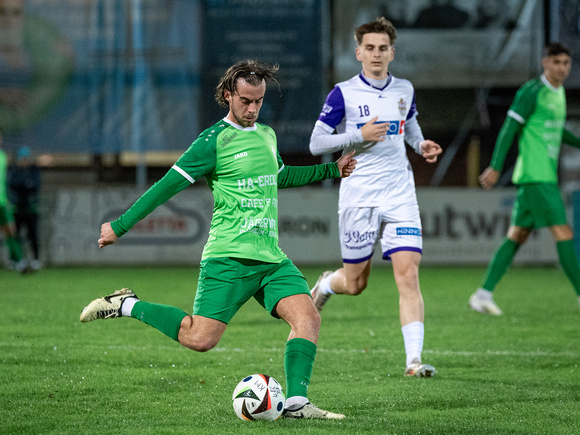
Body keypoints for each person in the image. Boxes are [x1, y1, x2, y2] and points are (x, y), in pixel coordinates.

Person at [79, 60, 357, 420]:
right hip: (228, 258)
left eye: (259, 101)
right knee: (200, 339)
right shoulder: (212, 142)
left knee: (307, 318)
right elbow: (166, 187)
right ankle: (125, 304)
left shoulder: (266, 135)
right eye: (246, 101)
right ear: (228, 96)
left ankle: (298, 403)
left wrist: (331, 169)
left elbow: (280, 176)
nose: (253, 109)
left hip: (270, 258)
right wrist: (121, 225)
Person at [309, 18, 442, 377]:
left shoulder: (404, 89)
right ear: (358, 53)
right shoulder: (343, 93)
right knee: (355, 283)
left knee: (408, 276)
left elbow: (409, 125)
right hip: (359, 196)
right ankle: (326, 283)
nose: (376, 54)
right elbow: (316, 142)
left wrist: (421, 144)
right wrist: (357, 134)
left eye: (383, 48)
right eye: (369, 47)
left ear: (392, 53)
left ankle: (413, 361)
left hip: (400, 194)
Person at [469, 42, 580, 315]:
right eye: (557, 62)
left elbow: (555, 130)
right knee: (564, 232)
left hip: (538, 178)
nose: (562, 68)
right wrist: (495, 167)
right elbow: (509, 129)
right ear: (545, 63)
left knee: (517, 235)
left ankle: (482, 294)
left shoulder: (558, 92)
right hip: (536, 175)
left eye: (566, 63)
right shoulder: (532, 92)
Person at [8, 145, 41, 270]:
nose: (24, 161)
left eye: (26, 159)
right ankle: (16, 259)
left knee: (33, 235)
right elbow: (12, 184)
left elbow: (34, 186)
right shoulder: (14, 171)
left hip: (31, 208)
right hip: (17, 208)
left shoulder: (33, 171)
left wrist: (23, 185)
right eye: (22, 159)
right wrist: (25, 185)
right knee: (15, 235)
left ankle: (35, 259)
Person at [0, 127, 25, 271]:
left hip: (2, 202)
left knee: (10, 231)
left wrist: (8, 198)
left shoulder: (3, 156)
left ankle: (17, 261)